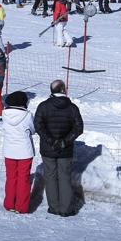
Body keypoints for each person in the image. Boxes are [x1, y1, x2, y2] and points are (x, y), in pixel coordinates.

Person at [34, 79, 84, 216]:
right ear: (63, 90)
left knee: (50, 177)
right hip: (65, 149)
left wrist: (50, 140)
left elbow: (38, 126)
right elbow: (79, 127)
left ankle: (54, 207)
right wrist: (65, 141)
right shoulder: (72, 107)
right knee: (65, 177)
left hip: (47, 148)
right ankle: (66, 209)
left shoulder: (43, 106)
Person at [2, 91, 35, 214]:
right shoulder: (28, 115)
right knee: (23, 179)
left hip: (9, 150)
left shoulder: (4, 114)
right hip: (24, 151)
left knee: (11, 177)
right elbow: (32, 129)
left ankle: (9, 203)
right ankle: (21, 206)